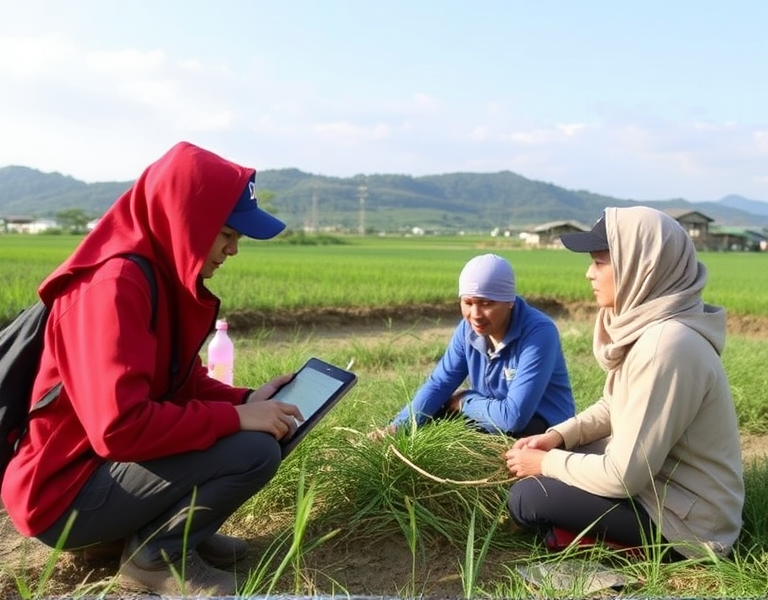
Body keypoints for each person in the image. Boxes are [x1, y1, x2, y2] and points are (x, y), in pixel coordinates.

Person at [0, 142, 305, 596]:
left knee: (255, 433)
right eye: (227, 233)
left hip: (97, 470)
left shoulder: (155, 275)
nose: (233, 249)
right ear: (188, 221)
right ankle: (154, 556)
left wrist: (244, 400)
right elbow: (119, 427)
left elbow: (177, 380)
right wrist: (237, 418)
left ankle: (142, 532)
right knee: (253, 451)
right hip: (64, 494)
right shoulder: (114, 286)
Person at [504, 206, 744, 559]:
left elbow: (621, 477)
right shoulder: (649, 326)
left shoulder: (667, 346)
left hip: (690, 525)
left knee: (528, 497)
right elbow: (614, 405)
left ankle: (592, 542)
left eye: (600, 262)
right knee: (560, 465)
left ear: (642, 266)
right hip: (662, 485)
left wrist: (545, 463)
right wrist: (558, 437)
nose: (589, 273)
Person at [375, 253, 575, 438]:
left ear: (510, 301)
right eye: (468, 303)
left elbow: (513, 418)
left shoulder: (539, 333)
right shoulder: (467, 330)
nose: (476, 315)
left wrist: (465, 401)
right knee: (429, 416)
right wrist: (396, 428)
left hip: (542, 427)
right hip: (491, 415)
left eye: (487, 304)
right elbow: (440, 384)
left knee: (459, 419)